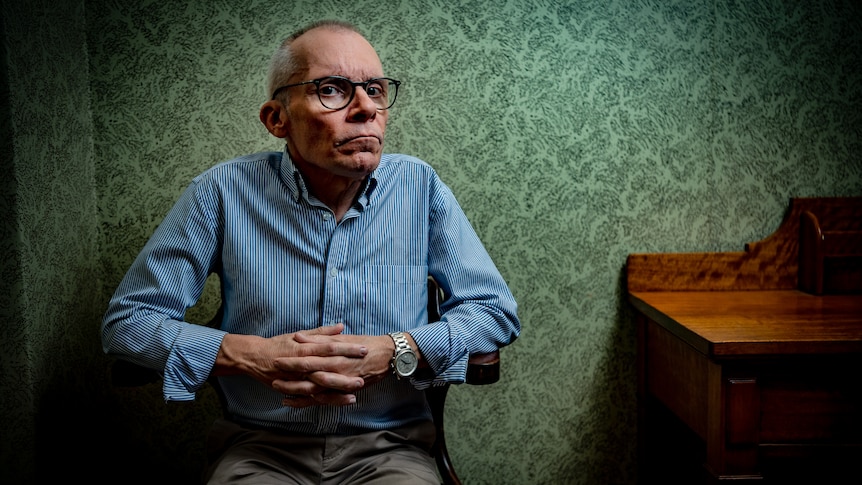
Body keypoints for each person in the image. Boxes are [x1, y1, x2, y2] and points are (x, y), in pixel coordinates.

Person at [102, 19, 520, 484]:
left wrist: (397, 348)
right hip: (260, 447)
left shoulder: (420, 188)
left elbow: (495, 312)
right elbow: (126, 325)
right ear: (276, 119)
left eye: (376, 90)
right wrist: (251, 356)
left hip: (391, 448)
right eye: (332, 90)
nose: (366, 108)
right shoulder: (220, 192)